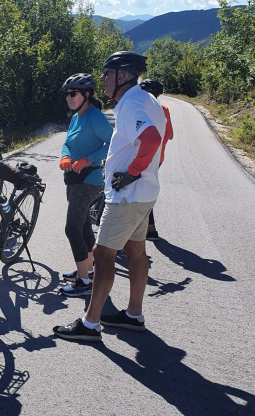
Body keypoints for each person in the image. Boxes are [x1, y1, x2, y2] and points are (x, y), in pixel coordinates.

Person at [53, 51, 166, 342]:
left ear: (122, 76)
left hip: (128, 194)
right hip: (144, 192)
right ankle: (133, 314)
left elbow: (151, 139)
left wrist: (131, 172)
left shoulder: (131, 103)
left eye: (107, 73)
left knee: (103, 255)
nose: (102, 79)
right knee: (137, 251)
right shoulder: (146, 99)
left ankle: (90, 324)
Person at [57, 73, 114, 297]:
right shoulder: (76, 117)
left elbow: (112, 144)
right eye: (67, 94)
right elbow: (67, 143)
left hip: (89, 181)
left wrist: (88, 159)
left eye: (73, 94)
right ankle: (88, 271)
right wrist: (65, 157)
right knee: (82, 227)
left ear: (86, 95)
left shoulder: (95, 116)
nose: (69, 98)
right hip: (73, 179)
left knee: (72, 228)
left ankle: (84, 282)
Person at [139, 79, 174, 241]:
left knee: (139, 190)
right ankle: (148, 229)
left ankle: (149, 229)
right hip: (159, 158)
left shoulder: (144, 108)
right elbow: (171, 135)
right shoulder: (164, 109)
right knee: (144, 189)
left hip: (144, 156)